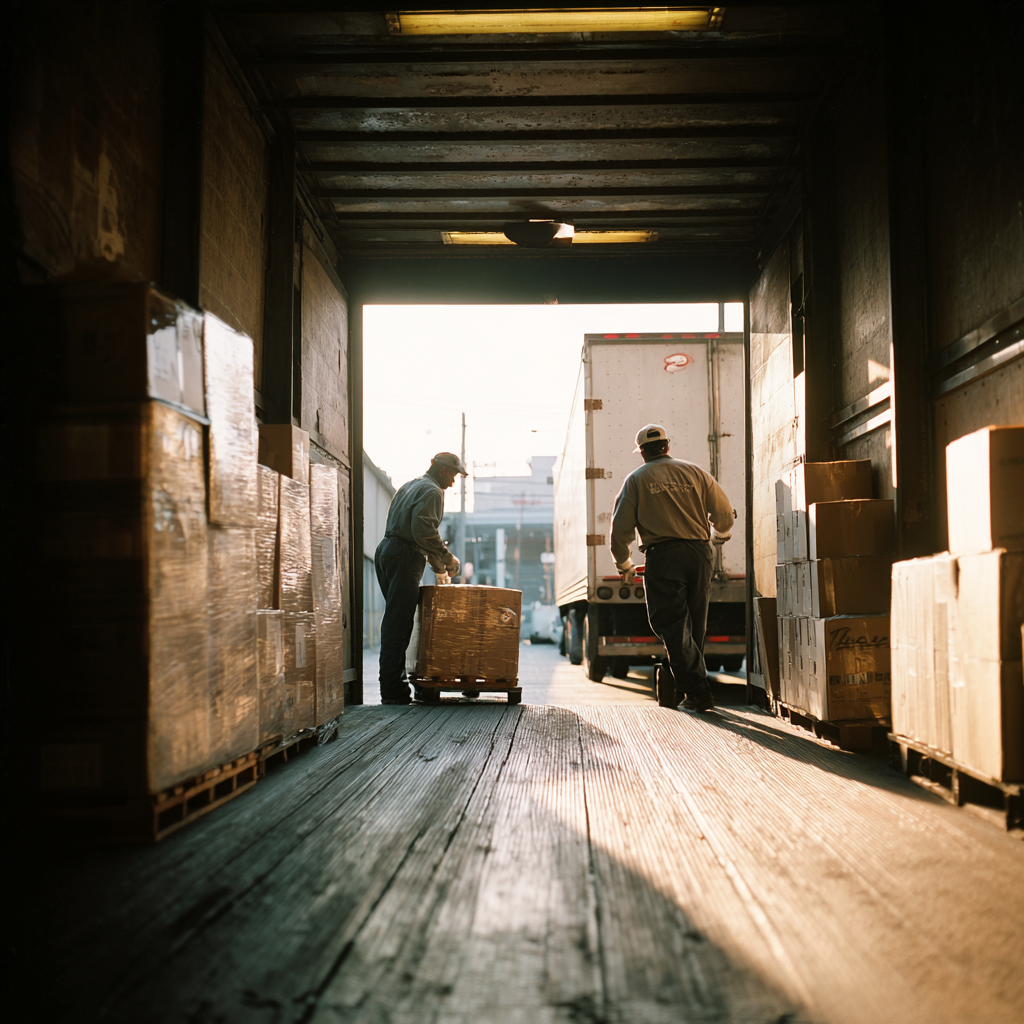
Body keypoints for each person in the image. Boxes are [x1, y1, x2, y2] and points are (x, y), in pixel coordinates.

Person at [610, 424, 734, 712]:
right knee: (695, 622)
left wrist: (624, 563)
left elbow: (620, 531)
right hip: (701, 553)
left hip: (664, 555)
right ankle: (689, 684)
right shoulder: (696, 473)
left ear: (642, 452)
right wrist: (720, 536)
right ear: (667, 446)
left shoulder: (636, 480)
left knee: (671, 623)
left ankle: (698, 691)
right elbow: (724, 513)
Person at [375, 452, 466, 704]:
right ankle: (393, 691)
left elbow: (416, 532)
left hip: (386, 551)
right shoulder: (434, 491)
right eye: (454, 476)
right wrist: (447, 558)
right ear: (444, 470)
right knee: (398, 624)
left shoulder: (411, 485)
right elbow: (423, 531)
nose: (453, 483)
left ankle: (394, 686)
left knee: (396, 619)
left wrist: (438, 567)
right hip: (405, 555)